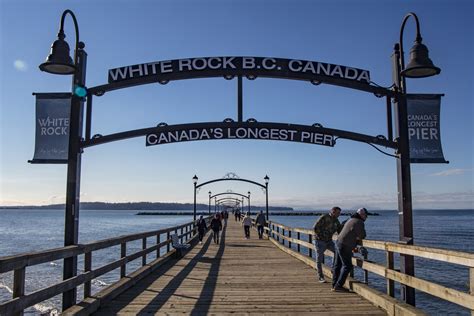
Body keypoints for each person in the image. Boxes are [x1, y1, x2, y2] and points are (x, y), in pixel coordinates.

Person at [331, 207, 368, 292]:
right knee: (347, 266)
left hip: (338, 242)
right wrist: (357, 237)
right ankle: (338, 285)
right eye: (366, 216)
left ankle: (334, 285)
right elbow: (362, 235)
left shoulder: (350, 219)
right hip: (345, 245)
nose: (366, 217)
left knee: (338, 265)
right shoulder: (359, 222)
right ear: (362, 215)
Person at [312, 206, 342, 283]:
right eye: (338, 213)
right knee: (319, 259)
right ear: (333, 211)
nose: (339, 214)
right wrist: (321, 236)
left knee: (337, 252)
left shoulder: (336, 221)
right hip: (319, 241)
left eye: (339, 213)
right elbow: (315, 227)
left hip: (329, 241)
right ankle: (320, 277)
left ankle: (333, 269)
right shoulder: (324, 217)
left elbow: (340, 231)